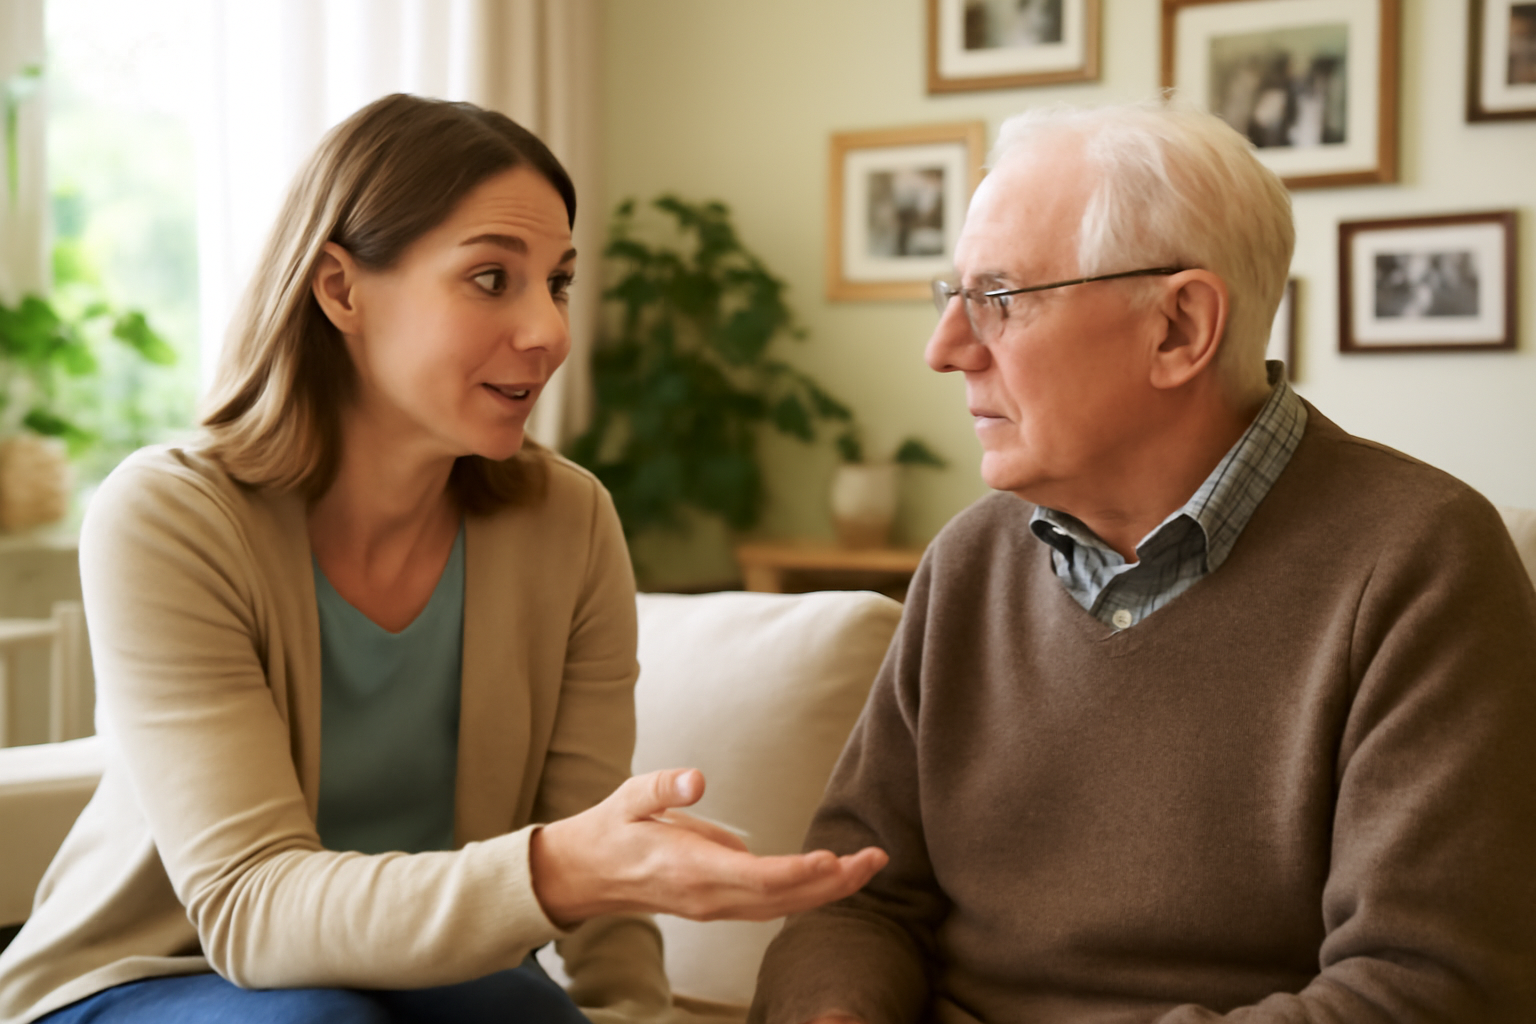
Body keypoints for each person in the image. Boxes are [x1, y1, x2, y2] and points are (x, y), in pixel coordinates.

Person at [0, 94, 885, 1024]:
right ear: (340, 289)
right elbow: (250, 910)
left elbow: (604, 864)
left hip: (424, 979)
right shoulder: (170, 516)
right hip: (155, 975)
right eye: (492, 279)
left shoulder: (570, 520)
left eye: (559, 282)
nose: (548, 331)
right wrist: (553, 870)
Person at [750, 101, 1536, 1023]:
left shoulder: (1424, 562)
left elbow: (1426, 988)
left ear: (1178, 328)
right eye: (951, 297)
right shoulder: (970, 559)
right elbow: (856, 900)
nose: (945, 350)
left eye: (998, 299)